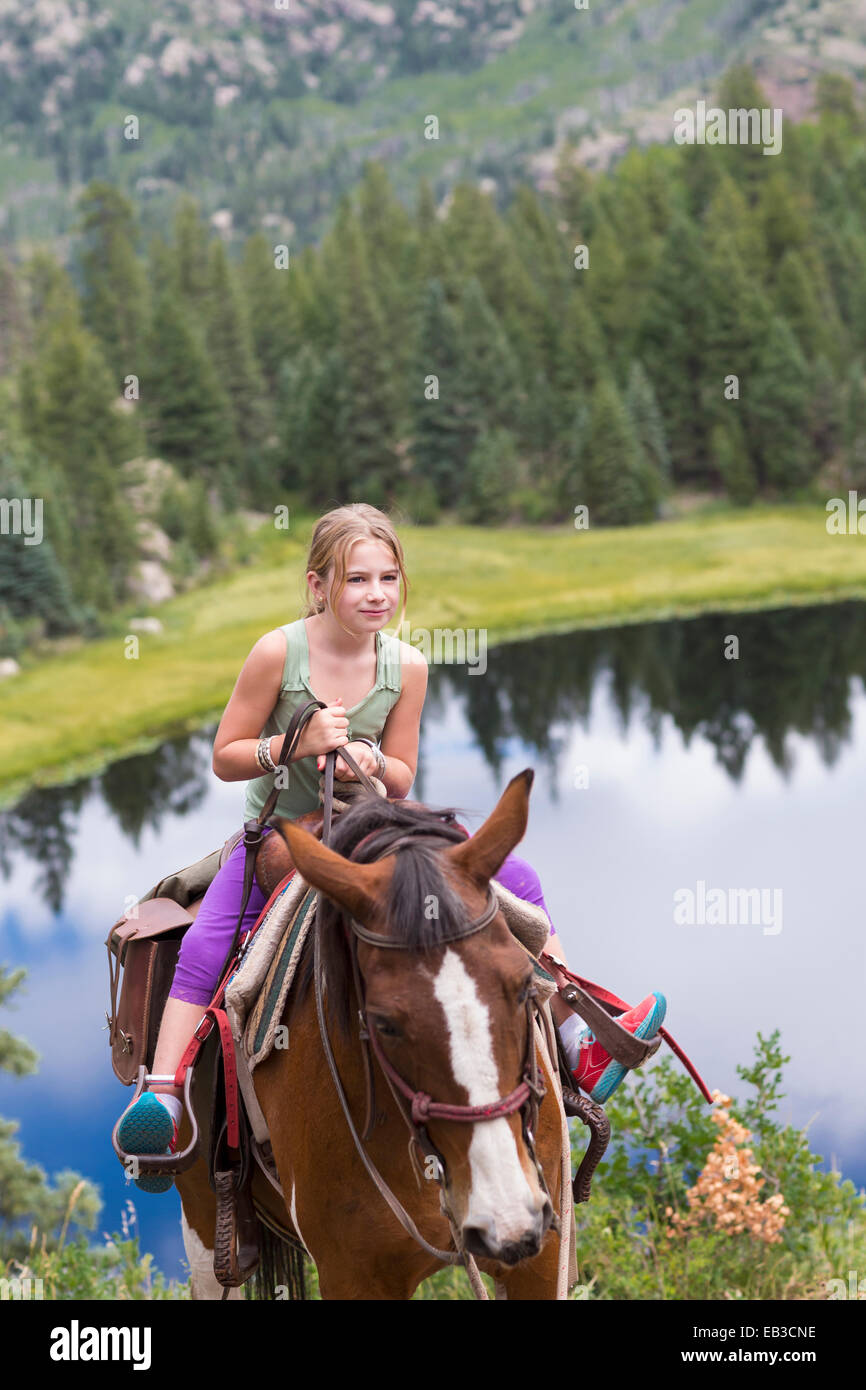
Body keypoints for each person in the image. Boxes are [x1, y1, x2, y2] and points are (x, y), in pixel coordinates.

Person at [117, 503, 665, 1189]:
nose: (376, 595)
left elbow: (404, 776)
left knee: (517, 879)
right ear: (318, 587)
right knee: (208, 943)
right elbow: (226, 757)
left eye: (388, 578)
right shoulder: (276, 654)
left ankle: (575, 1028)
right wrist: (294, 745)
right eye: (356, 580)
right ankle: (164, 1092)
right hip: (283, 835)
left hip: (377, 823)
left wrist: (372, 763)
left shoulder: (405, 665)